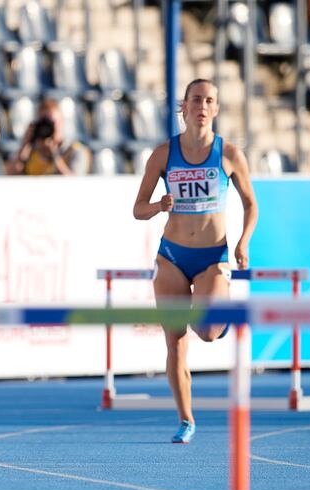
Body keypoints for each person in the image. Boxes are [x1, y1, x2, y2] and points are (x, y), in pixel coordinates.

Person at [133, 79, 257, 444]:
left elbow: (251, 204)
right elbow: (138, 208)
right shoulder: (162, 154)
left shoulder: (230, 154)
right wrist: (158, 206)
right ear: (183, 108)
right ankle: (186, 419)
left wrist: (242, 241)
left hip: (212, 256)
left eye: (209, 100)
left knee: (207, 332)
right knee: (175, 343)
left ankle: (219, 309)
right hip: (171, 255)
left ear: (216, 109)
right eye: (196, 100)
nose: (202, 106)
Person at [6, 98, 86, 176]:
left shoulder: (74, 150)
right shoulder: (30, 151)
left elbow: (75, 184)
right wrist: (25, 143)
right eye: (43, 122)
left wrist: (54, 156)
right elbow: (10, 176)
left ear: (61, 121)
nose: (46, 127)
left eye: (51, 122)